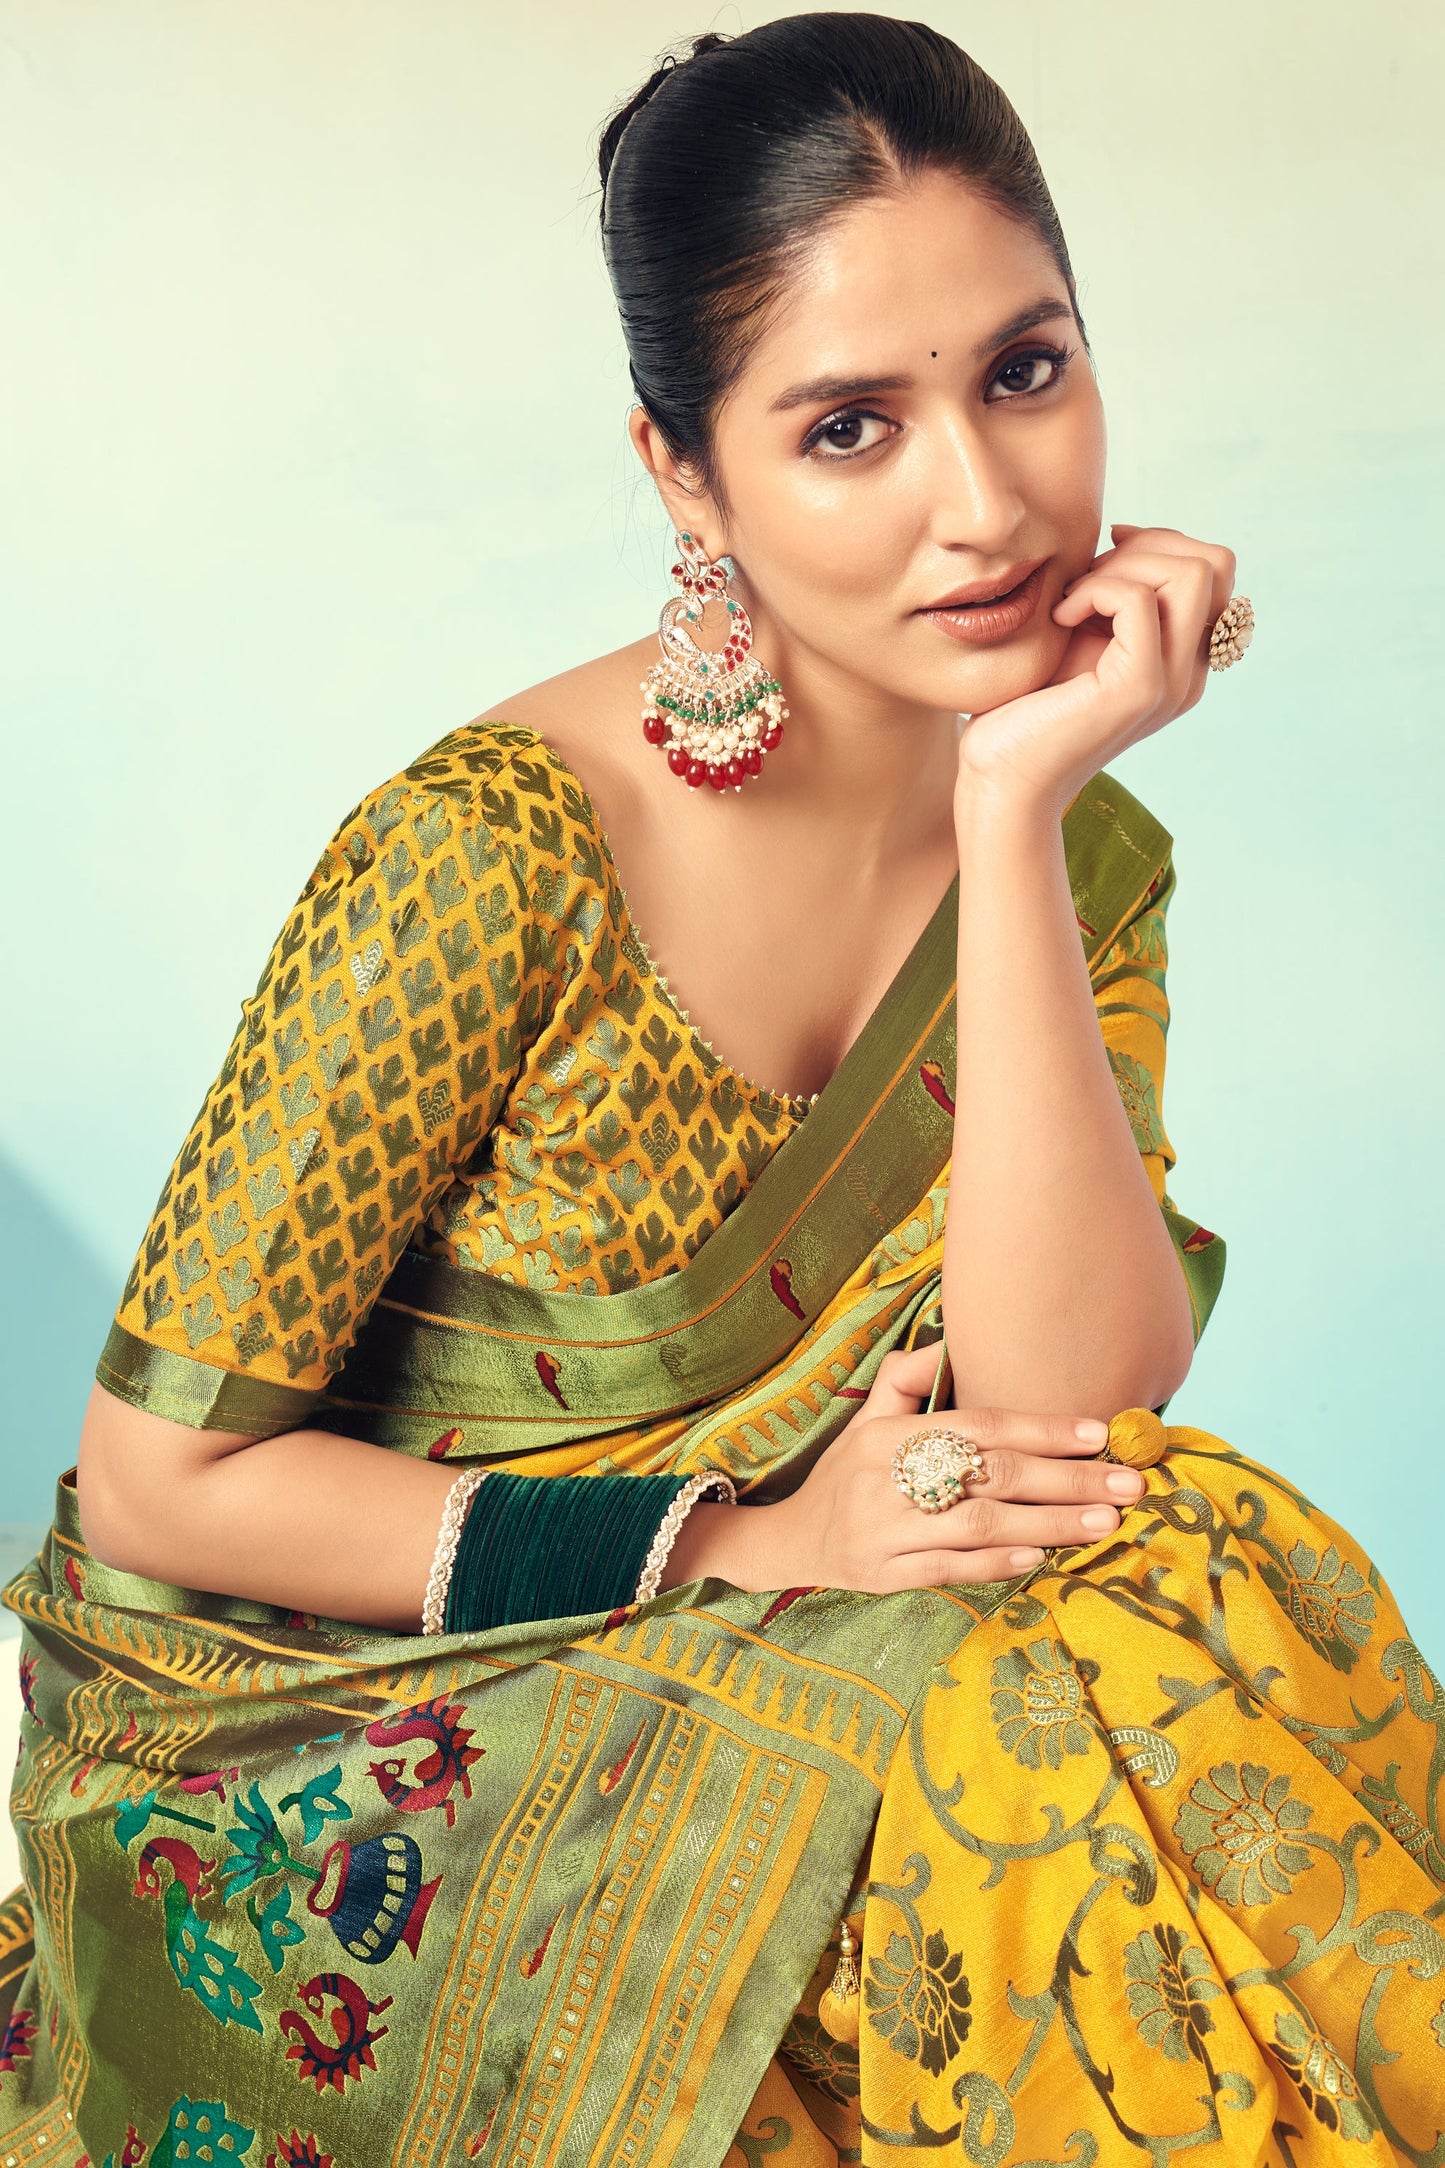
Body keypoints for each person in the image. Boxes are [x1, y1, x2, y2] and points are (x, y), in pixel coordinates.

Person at [2, 14, 1440, 2164]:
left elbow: (1069, 1408)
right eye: (850, 427)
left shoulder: (1081, 854)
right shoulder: (487, 859)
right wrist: (746, 1537)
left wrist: (1013, 814)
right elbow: (160, 1490)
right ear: (687, 475)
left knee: (1182, 1560)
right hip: (359, 1704)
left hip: (834, 1598)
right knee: (1024, 1703)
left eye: (1026, 371)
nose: (985, 507)